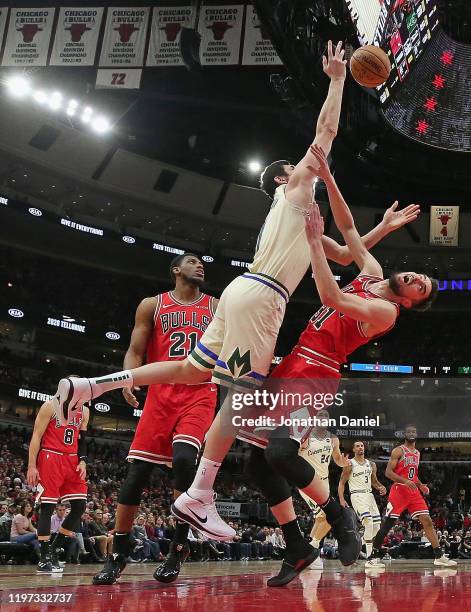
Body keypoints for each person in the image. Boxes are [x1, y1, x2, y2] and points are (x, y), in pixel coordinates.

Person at [53, 42, 417, 556]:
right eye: (298, 166)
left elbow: (344, 253)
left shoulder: (290, 213)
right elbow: (326, 133)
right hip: (263, 301)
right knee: (243, 400)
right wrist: (337, 80)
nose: (307, 165)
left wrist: (378, 229)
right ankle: (201, 493)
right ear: (284, 178)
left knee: (188, 371)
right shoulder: (296, 193)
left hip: (243, 292)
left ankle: (90, 386)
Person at [237, 144, 437, 585]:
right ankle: (297, 547)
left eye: (420, 288)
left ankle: (338, 513)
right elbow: (347, 228)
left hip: (317, 373)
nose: (417, 278)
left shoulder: (386, 312)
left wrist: (312, 242)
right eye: (421, 276)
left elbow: (331, 298)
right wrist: (328, 178)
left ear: (408, 302)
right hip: (293, 359)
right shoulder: (373, 269)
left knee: (280, 452)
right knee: (253, 462)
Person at [93, 253, 218, 585]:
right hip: (160, 395)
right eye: (192, 261)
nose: (200, 266)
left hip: (199, 392)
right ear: (176, 270)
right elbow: (136, 349)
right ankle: (118, 551)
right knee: (136, 474)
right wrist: (127, 379)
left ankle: (179, 545)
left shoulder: (216, 306)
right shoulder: (152, 305)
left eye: (201, 263)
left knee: (183, 459)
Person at [367, 425, 457, 568]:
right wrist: (405, 481)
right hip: (399, 491)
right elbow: (388, 473)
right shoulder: (398, 451)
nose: (411, 433)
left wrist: (421, 485)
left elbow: (413, 475)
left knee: (427, 520)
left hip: (413, 491)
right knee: (388, 524)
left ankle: (439, 555)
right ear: (404, 434)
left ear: (417, 434)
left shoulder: (417, 453)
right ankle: (373, 556)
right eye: (409, 431)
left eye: (414, 431)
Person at [26, 395, 89, 574]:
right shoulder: (50, 406)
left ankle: (54, 549)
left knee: (79, 506)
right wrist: (32, 465)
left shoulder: (84, 410)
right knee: (48, 507)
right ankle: (44, 557)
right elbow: (36, 436)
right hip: (51, 456)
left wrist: (83, 460)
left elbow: (82, 439)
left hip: (73, 460)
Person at [298, 412, 351, 569]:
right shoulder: (305, 436)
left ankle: (307, 552)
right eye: (319, 417)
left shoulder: (333, 438)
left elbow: (337, 460)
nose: (323, 420)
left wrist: (344, 462)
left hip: (324, 483)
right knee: (331, 516)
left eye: (325, 417)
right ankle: (312, 552)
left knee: (321, 519)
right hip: (307, 481)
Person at [338, 441, 386, 566]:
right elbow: (342, 482)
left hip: (369, 495)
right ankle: (370, 558)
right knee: (368, 522)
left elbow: (374, 482)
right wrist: (342, 499)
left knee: (376, 527)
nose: (360, 448)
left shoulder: (371, 464)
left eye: (362, 446)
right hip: (357, 495)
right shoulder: (350, 464)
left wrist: (381, 487)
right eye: (357, 446)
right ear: (353, 449)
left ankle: (358, 543)